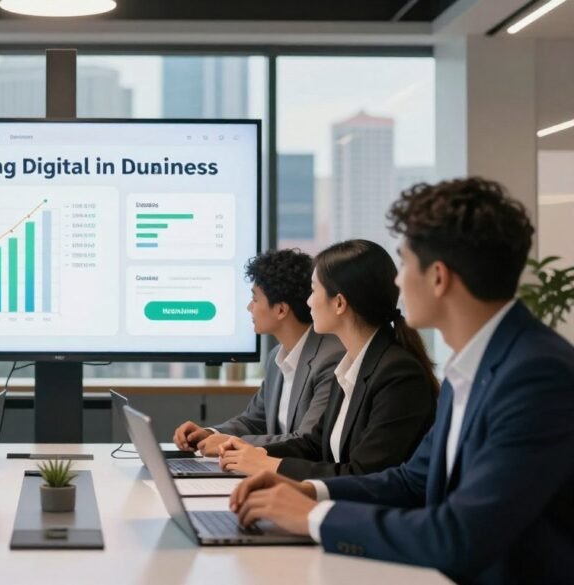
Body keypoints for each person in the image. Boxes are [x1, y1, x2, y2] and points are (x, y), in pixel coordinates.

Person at [229, 178, 574, 584]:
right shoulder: (474, 366)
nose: (397, 282)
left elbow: (459, 534)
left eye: (406, 264)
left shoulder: (536, 375)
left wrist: (315, 517)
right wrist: (311, 492)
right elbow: (412, 480)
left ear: (438, 278)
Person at [219, 240, 438, 480]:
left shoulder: (397, 374)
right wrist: (254, 453)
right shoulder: (351, 365)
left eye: (313, 291)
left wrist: (269, 466)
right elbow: (314, 444)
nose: (309, 301)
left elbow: (363, 473)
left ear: (339, 303)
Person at [173, 249, 344, 455]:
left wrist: (230, 443)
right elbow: (254, 420)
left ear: (281, 310)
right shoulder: (276, 358)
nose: (249, 307)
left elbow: (307, 440)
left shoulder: (331, 358)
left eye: (255, 299)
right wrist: (210, 433)